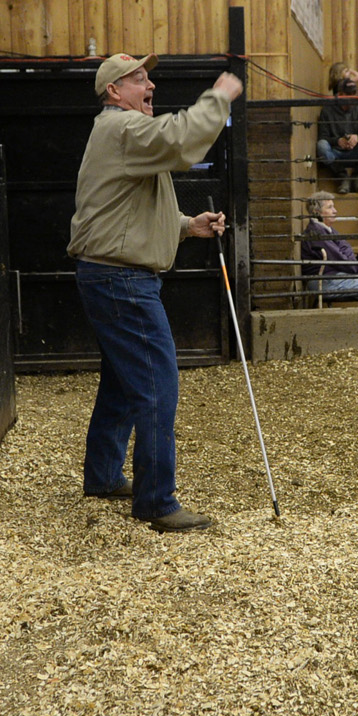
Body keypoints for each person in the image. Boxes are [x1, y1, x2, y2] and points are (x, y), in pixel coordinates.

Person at [68, 54, 243, 533]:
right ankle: (156, 501)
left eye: (149, 78)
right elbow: (182, 141)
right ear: (114, 93)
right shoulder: (124, 129)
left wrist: (188, 225)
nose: (150, 85)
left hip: (109, 277)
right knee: (157, 386)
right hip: (122, 281)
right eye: (138, 78)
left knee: (125, 383)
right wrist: (218, 98)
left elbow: (130, 211)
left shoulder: (118, 134)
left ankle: (103, 476)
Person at [300, 192, 358, 306]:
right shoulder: (316, 234)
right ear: (316, 212)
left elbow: (346, 249)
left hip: (335, 276)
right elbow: (341, 260)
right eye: (330, 207)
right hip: (323, 280)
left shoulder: (328, 230)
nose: (335, 211)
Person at [316, 63, 358, 193]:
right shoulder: (327, 110)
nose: (353, 97)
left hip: (356, 149)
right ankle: (342, 176)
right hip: (337, 151)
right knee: (321, 146)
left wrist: (357, 137)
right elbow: (323, 136)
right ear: (340, 94)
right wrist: (338, 141)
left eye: (354, 93)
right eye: (349, 94)